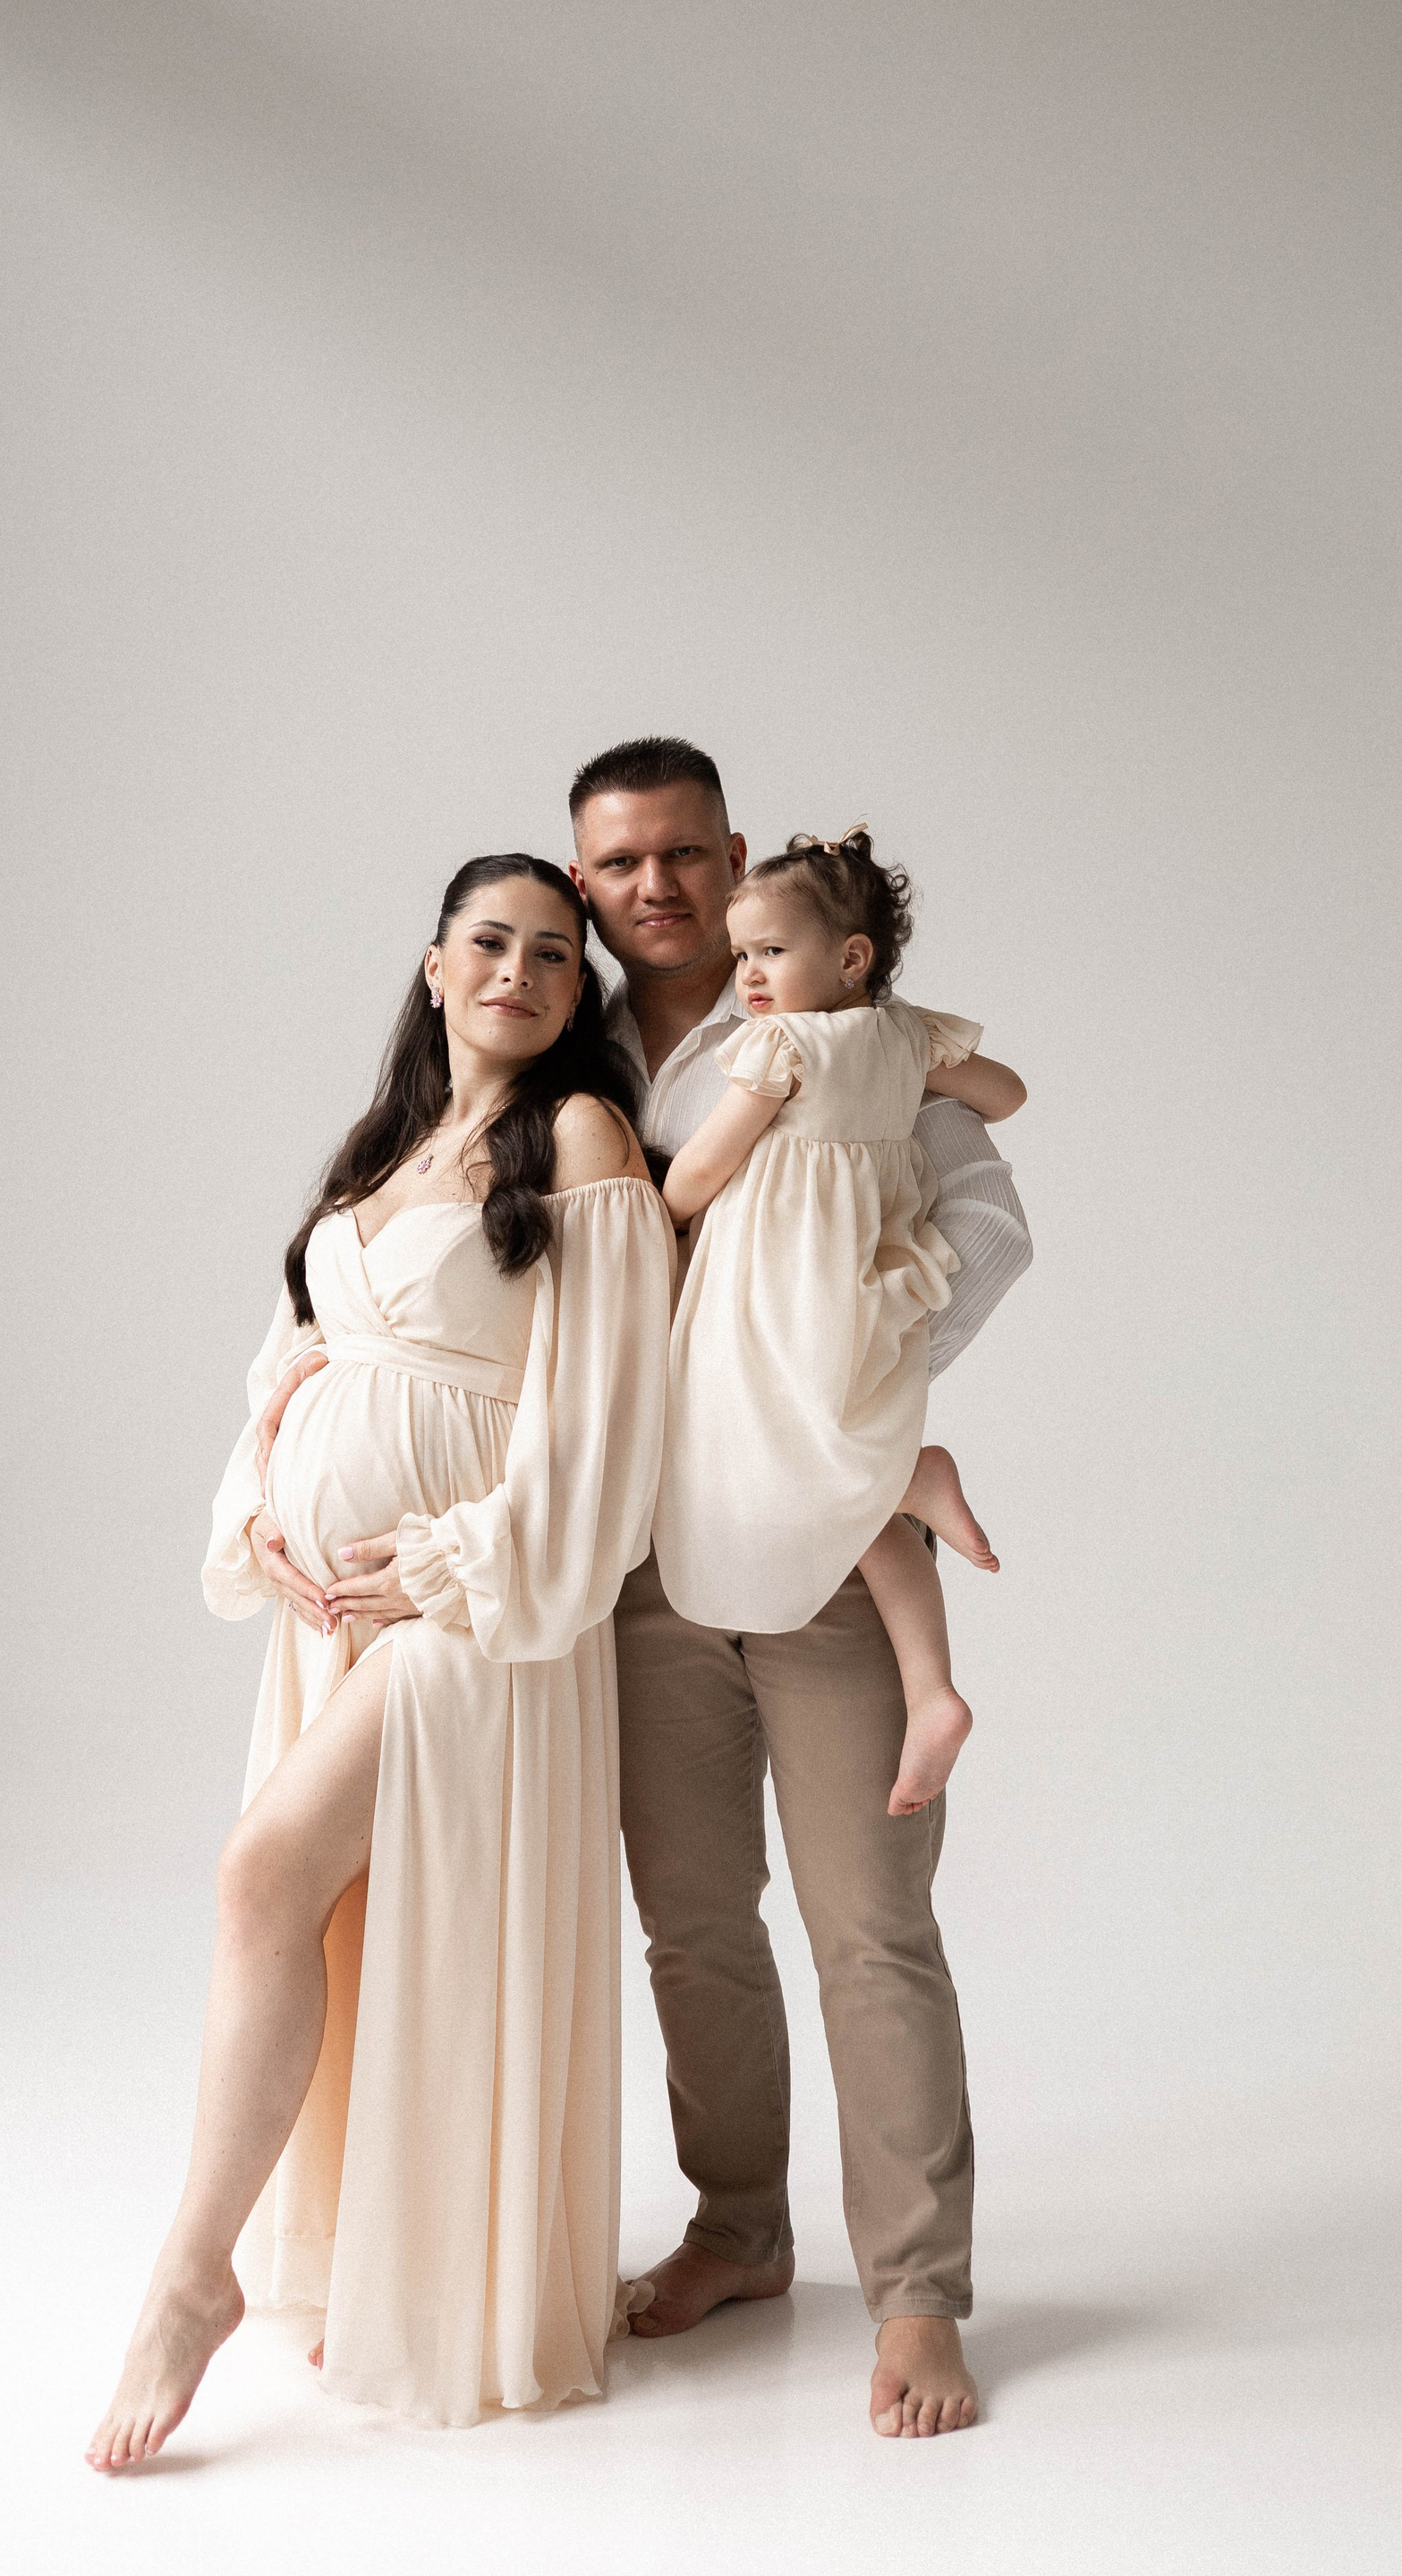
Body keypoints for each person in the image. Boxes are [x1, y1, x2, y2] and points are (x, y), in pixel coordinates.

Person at [86, 854, 674, 2464]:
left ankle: (188, 2280)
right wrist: (260, 1512)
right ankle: (388, 2258)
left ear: (577, 990)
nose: (518, 973)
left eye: (552, 954)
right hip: (337, 1617)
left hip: (475, 1611)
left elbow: (606, 1418)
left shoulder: (580, 1137)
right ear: (433, 964)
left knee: (266, 1879)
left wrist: (459, 1562)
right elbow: (291, 1370)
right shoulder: (385, 1147)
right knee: (364, 1935)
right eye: (490, 942)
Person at [569, 739, 1032, 2441]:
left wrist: (846, 1415)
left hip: (825, 1537)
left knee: (870, 1929)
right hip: (644, 1555)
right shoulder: (569, 1042)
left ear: (733, 852)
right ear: (585, 881)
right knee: (694, 1927)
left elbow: (987, 1221)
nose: (657, 887)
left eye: (684, 854)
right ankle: (740, 2231)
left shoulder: (852, 1028)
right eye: (620, 864)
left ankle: (918, 2296)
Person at [653, 829, 1027, 1818]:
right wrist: (906, 1068)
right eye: (742, 954)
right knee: (845, 1495)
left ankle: (914, 1479)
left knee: (766, 1459)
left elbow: (701, 1169)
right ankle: (932, 1686)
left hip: (775, 1294)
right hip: (863, 1289)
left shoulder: (779, 1049)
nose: (748, 975)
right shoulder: (903, 1035)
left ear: (851, 955)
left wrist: (653, 1219)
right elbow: (1008, 1095)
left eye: (770, 952)